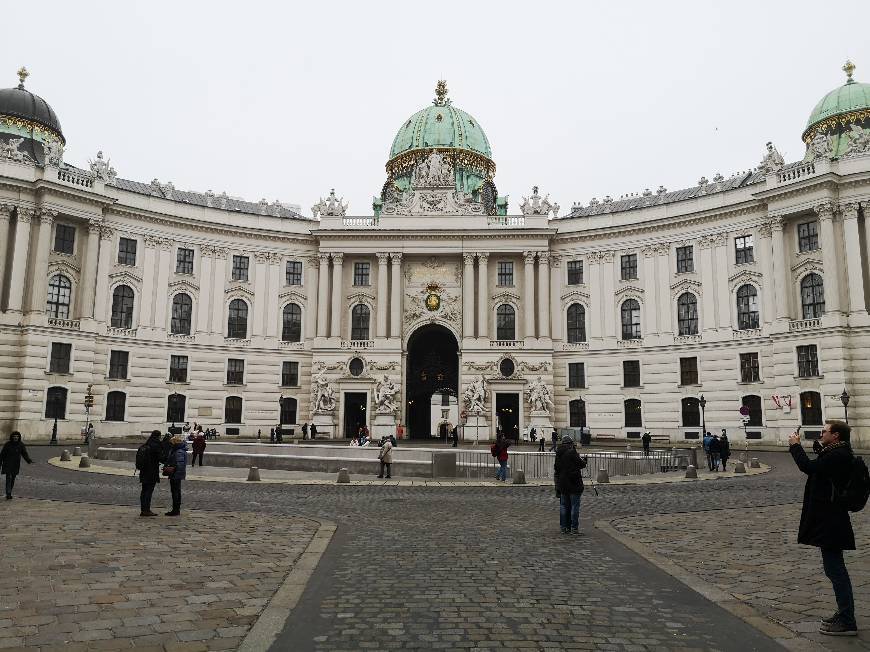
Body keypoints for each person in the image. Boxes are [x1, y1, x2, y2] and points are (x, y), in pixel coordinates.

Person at [789, 421, 858, 636]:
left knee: (836, 570)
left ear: (836, 435)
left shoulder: (838, 456)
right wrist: (819, 450)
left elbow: (809, 468)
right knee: (834, 569)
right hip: (830, 518)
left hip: (831, 520)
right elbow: (823, 470)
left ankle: (847, 620)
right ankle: (844, 614)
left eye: (824, 432)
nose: (821, 434)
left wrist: (795, 446)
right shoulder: (838, 452)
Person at [554, 435, 587, 534]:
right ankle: (574, 528)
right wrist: (584, 461)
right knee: (574, 506)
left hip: (563, 483)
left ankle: (564, 527)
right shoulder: (572, 452)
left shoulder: (558, 453)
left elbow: (556, 468)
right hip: (574, 482)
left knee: (564, 506)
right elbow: (581, 464)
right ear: (570, 444)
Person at [0, 432, 33, 500]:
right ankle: (8, 493)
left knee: (13, 479)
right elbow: (2, 454)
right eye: (14, 436)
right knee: (8, 479)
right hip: (7, 464)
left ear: (19, 437)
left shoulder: (21, 445)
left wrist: (28, 460)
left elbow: (24, 453)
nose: (15, 437)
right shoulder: (8, 444)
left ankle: (9, 491)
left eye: (17, 436)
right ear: (12, 437)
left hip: (15, 464)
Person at [137, 430, 163, 516]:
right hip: (151, 471)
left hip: (143, 471)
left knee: (144, 490)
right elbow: (161, 458)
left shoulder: (146, 444)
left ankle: (143, 509)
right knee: (149, 491)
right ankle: (146, 510)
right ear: (158, 436)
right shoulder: (156, 445)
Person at [164, 435, 188, 516]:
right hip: (176, 474)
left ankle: (176, 510)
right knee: (176, 491)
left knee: (176, 492)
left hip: (176, 475)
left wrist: (173, 472)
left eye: (172, 443)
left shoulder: (179, 451)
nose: (170, 444)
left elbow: (180, 465)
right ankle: (176, 509)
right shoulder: (178, 450)